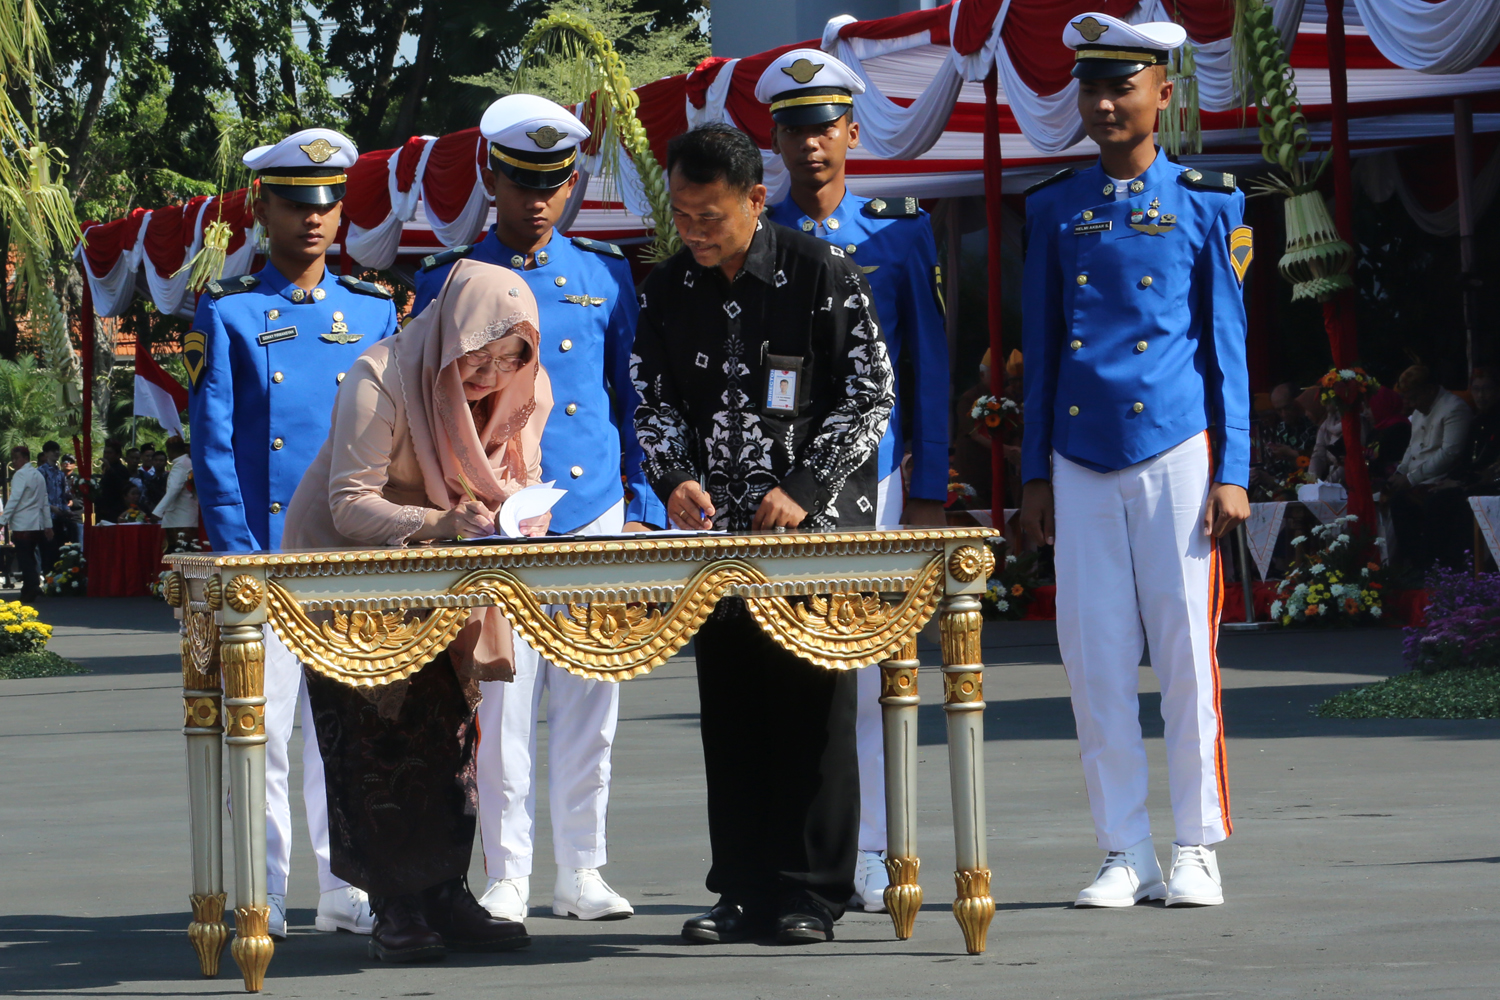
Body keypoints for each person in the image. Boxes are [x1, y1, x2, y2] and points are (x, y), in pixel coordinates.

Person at [632, 122, 895, 944]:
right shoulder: (669, 286)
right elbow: (652, 397)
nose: (696, 233)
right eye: (682, 215)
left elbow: (871, 394)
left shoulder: (821, 272)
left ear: (755, 199)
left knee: (812, 710)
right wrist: (672, 474)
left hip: (811, 533)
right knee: (733, 709)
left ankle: (811, 893)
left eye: (710, 215)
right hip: (720, 541)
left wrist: (806, 488)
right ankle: (740, 888)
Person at [412, 94, 664, 926]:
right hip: (500, 514)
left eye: (555, 182)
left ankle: (583, 867)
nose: (540, 200)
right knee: (502, 703)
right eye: (523, 181)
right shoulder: (448, 281)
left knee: (595, 694)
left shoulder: (604, 274)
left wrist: (644, 502)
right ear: (490, 173)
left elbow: (632, 399)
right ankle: (510, 871)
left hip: (593, 508)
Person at [1018, 13, 1251, 909]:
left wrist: (1233, 469)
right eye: (1092, 87)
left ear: (1162, 93)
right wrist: (1036, 470)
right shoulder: (1054, 206)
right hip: (1079, 453)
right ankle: (1124, 848)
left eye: (1123, 86)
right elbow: (1042, 350)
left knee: (1188, 651)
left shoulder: (1209, 200)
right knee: (1095, 654)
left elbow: (1226, 346)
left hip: (1176, 448)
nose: (1106, 102)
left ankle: (1197, 843)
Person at [286, 260, 548, 962]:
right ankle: (395, 906)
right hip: (347, 578)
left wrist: (520, 519)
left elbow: (520, 479)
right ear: (449, 333)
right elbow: (348, 502)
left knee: (449, 734)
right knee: (374, 738)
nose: (488, 376)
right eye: (477, 356)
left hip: (445, 578)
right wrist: (440, 523)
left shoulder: (525, 389)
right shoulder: (386, 374)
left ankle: (444, 893)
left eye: (507, 359)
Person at [186, 126, 398, 939]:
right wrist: (241, 553)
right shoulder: (231, 312)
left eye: (328, 204)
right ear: (262, 209)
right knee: (266, 733)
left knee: (345, 730)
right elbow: (214, 446)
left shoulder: (374, 309)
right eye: (294, 205)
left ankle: (346, 883)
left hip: (349, 552)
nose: (314, 220)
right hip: (269, 553)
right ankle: (266, 886)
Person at [757, 48, 951, 912]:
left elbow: (933, 370)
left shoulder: (899, 230)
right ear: (777, 138)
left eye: (826, 127)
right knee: (790, 671)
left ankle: (875, 846)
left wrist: (937, 484)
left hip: (874, 483)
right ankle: (799, 845)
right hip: (782, 491)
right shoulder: (760, 237)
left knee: (878, 672)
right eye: (795, 130)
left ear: (852, 131)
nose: (812, 146)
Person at [1402, 369, 1498, 570]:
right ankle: (1424, 567)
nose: (1481, 396)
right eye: (1476, 389)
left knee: (1443, 502)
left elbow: (1460, 456)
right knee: (1414, 499)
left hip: (1488, 486)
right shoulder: (1477, 421)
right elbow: (1465, 460)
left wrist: (1461, 482)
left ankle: (1456, 570)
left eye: (1487, 389)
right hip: (1468, 481)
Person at [1386, 365, 1475, 569]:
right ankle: (1411, 563)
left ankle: (1431, 567)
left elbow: (1450, 454)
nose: (1409, 404)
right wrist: (1401, 471)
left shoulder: (1454, 407)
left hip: (1442, 479)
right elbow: (1412, 447)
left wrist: (1410, 479)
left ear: (1430, 390)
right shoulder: (1420, 410)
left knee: (1426, 504)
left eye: (1413, 397)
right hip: (1419, 479)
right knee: (1396, 501)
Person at [1, 445, 51, 601]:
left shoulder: (20, 475)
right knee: (29, 555)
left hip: (23, 524)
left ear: (25, 458)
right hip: (37, 524)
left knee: (24, 557)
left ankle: (33, 584)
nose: (14, 462)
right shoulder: (38, 475)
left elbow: (14, 499)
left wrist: (2, 520)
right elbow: (45, 502)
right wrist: (47, 524)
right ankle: (28, 589)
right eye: (13, 459)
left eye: (16, 458)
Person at [152, 436, 199, 551]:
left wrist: (158, 511)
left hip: (178, 520)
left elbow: (173, 490)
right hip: (187, 517)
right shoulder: (188, 462)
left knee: (177, 556)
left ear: (170, 451)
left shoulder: (180, 465)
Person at [36, 441, 73, 571]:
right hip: (46, 518)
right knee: (48, 553)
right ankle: (48, 582)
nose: (56, 453)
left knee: (59, 552)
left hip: (59, 518)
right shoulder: (40, 472)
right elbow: (38, 496)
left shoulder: (60, 473)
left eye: (57, 450)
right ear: (46, 453)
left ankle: (58, 583)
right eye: (52, 450)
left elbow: (64, 495)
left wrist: (66, 509)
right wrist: (51, 507)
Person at [95, 443, 130, 523]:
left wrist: (110, 469)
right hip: (102, 511)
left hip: (115, 511)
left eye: (110, 453)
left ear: (117, 455)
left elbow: (121, 486)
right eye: (105, 452)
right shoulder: (105, 470)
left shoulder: (122, 470)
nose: (107, 455)